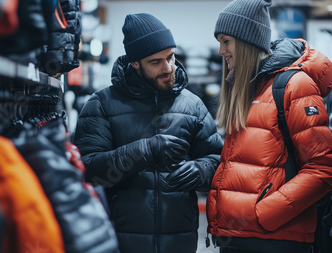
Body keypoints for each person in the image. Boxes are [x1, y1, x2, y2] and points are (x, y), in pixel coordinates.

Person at [206, 0, 332, 253]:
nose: (221, 51)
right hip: (238, 238)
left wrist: (265, 213)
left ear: (246, 41)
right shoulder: (246, 88)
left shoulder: (293, 85)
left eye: (226, 42)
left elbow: (323, 168)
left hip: (275, 239)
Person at [74, 13, 224, 253]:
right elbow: (88, 172)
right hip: (120, 242)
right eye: (155, 62)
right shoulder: (101, 104)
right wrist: (143, 151)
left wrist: (201, 170)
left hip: (180, 241)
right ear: (135, 63)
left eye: (170, 57)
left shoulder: (192, 105)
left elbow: (218, 159)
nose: (168, 68)